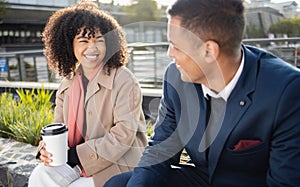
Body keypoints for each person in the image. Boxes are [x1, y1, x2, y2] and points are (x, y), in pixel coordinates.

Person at [104, 0, 300, 186]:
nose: (169, 54)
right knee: (119, 184)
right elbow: (160, 150)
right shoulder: (176, 77)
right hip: (201, 179)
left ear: (209, 51)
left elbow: (285, 182)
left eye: (176, 46)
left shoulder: (286, 91)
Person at [28, 1, 147, 187]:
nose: (93, 48)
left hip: (119, 162)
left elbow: (124, 135)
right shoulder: (67, 83)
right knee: (40, 175)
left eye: (99, 40)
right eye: (84, 41)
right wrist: (46, 149)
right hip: (79, 159)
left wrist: (75, 155)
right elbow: (58, 129)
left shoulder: (124, 80)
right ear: (69, 45)